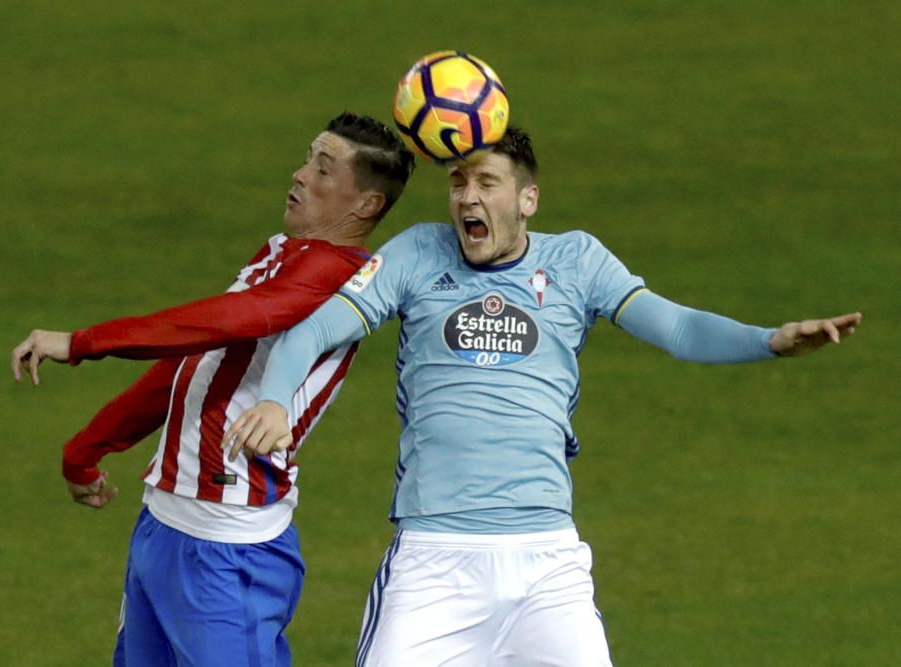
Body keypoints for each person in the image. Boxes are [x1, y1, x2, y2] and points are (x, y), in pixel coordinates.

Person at [222, 126, 862, 667]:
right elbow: (316, 329)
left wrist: (769, 340)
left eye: (486, 183)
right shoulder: (419, 254)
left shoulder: (577, 262)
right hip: (434, 561)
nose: (467, 198)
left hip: (547, 564)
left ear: (527, 199)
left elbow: (678, 327)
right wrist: (276, 399)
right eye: (457, 183)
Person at [10, 111, 415, 667]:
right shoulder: (280, 254)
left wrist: (82, 342)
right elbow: (192, 366)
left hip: (229, 549)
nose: (299, 175)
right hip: (162, 529)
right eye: (307, 159)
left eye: (323, 170)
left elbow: (222, 321)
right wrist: (88, 446)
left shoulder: (337, 277)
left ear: (366, 205)